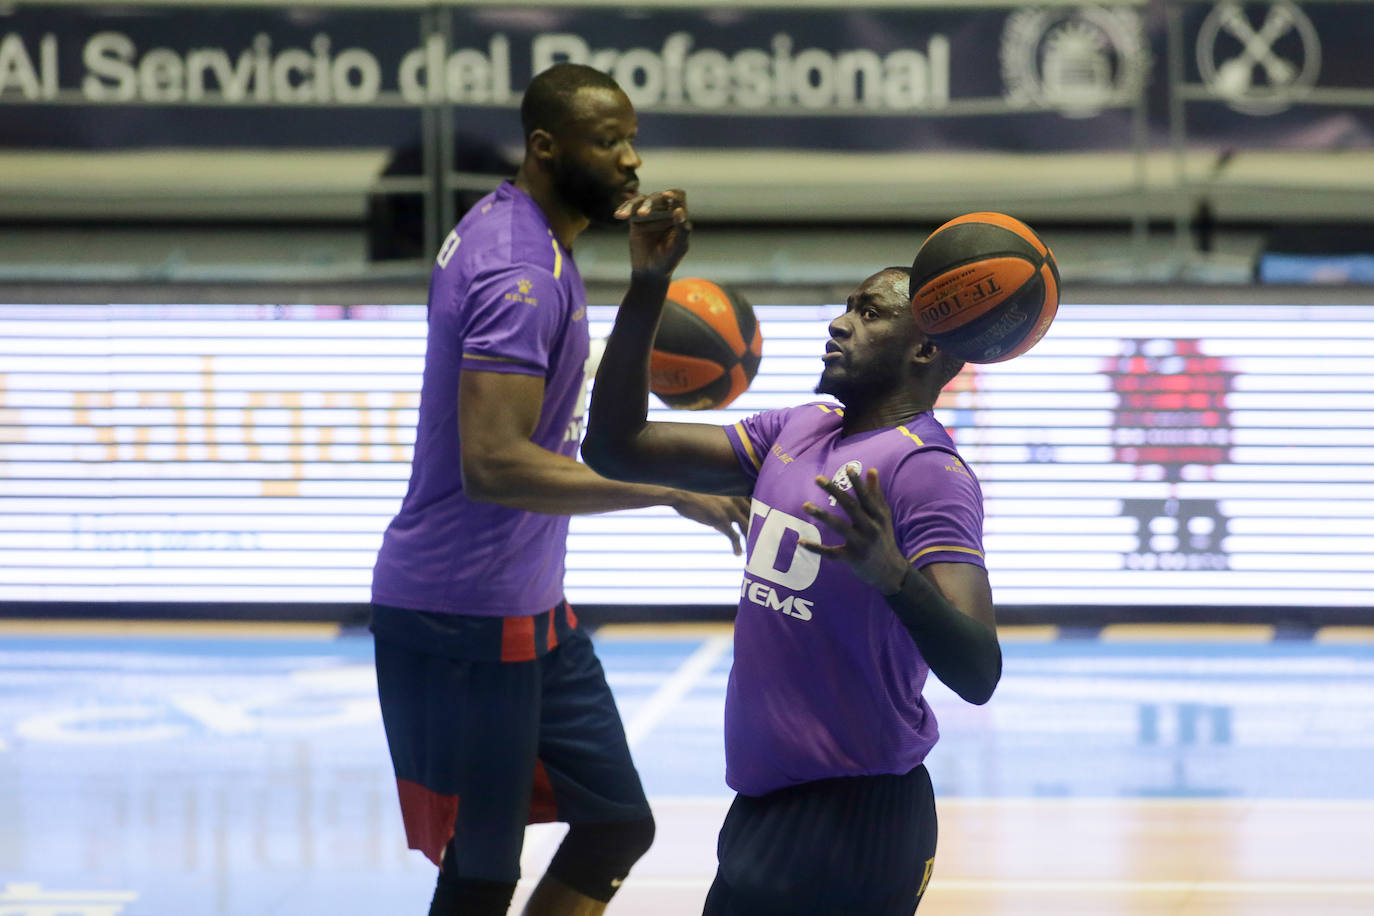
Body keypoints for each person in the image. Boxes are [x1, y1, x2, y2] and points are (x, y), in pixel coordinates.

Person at [369, 65, 749, 916]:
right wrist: (664, 491)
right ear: (546, 146)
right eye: (608, 141)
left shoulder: (537, 240)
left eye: (633, 141)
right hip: (461, 615)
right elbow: (495, 463)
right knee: (481, 873)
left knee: (616, 824)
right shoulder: (521, 273)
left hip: (533, 608)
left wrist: (649, 279)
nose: (630, 161)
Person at [582, 190, 1003, 916]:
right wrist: (648, 285)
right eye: (846, 305)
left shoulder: (927, 471)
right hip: (768, 808)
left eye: (869, 313)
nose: (840, 323)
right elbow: (616, 447)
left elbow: (978, 671)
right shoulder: (802, 428)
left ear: (926, 349)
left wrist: (893, 575)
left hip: (856, 816)